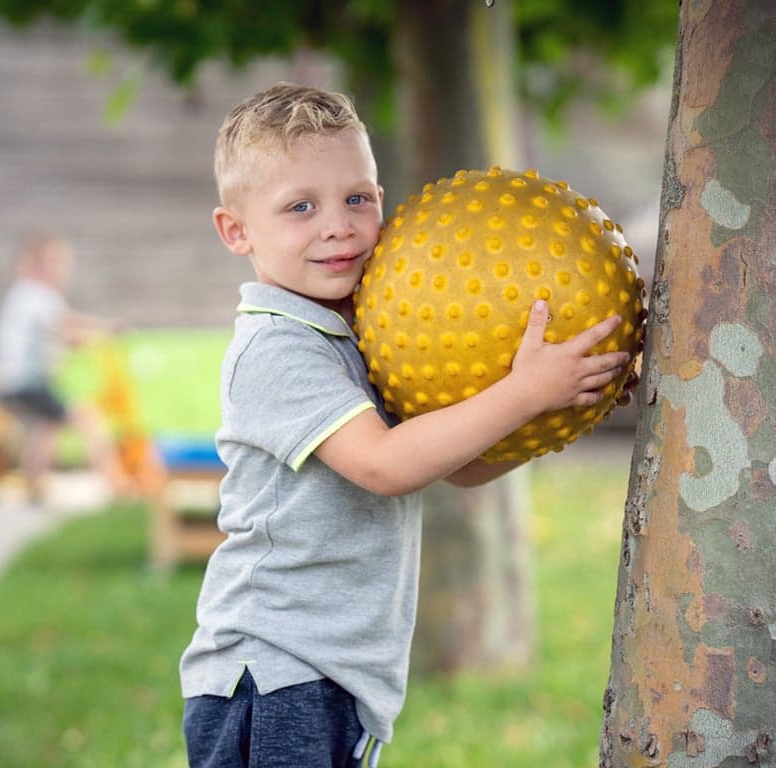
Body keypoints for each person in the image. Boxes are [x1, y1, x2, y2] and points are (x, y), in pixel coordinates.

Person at [179, 82, 634, 768]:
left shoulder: (365, 334)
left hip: (333, 670)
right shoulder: (276, 348)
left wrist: (553, 405)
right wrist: (523, 390)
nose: (338, 225)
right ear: (236, 230)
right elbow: (386, 466)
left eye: (356, 198)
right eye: (300, 207)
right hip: (271, 671)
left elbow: (461, 464)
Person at [0, 233, 131, 500]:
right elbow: (66, 327)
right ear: (35, 266)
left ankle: (33, 483)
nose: (62, 271)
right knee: (87, 417)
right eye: (55, 264)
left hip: (21, 379)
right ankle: (115, 484)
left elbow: (65, 331)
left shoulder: (29, 295)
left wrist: (91, 334)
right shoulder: (35, 295)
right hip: (26, 380)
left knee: (49, 423)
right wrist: (104, 330)